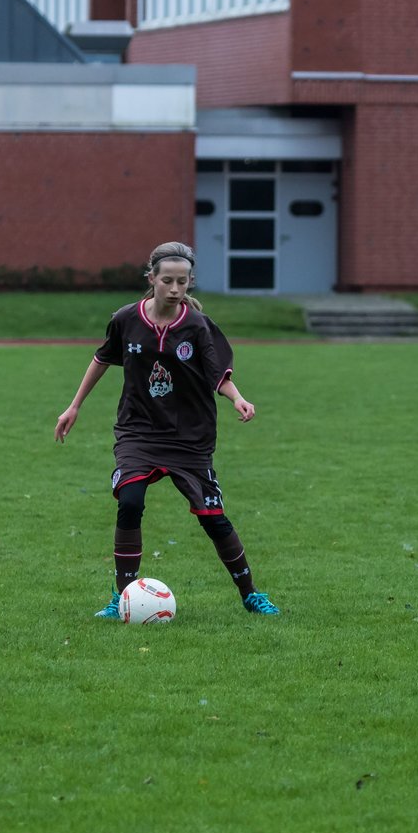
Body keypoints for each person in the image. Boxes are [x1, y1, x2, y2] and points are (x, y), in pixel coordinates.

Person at [54, 241, 280, 619]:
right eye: (168, 281)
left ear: (190, 282)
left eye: (183, 282)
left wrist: (237, 398)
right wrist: (74, 405)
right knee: (130, 501)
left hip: (189, 437)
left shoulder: (197, 326)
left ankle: (250, 594)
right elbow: (102, 358)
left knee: (214, 519)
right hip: (138, 431)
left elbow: (217, 374)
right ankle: (121, 597)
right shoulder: (126, 318)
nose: (175, 289)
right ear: (152, 279)